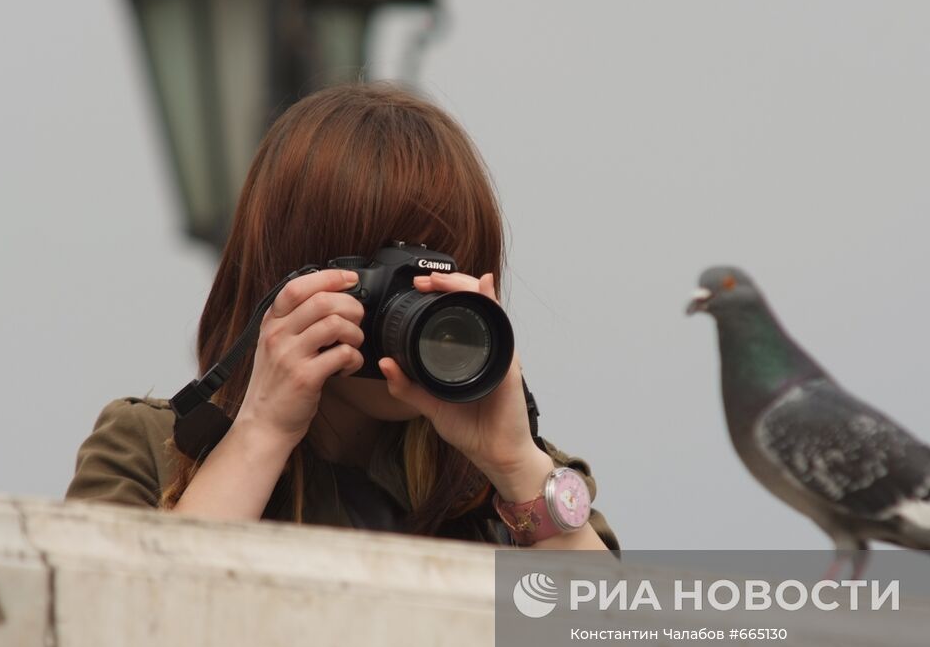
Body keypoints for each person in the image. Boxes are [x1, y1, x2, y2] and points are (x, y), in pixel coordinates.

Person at [67, 82, 619, 553]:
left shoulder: (525, 489)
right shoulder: (151, 448)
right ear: (281, 280)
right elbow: (125, 627)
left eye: (437, 280)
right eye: (384, 279)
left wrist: (514, 463)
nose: (417, 313)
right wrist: (261, 433)